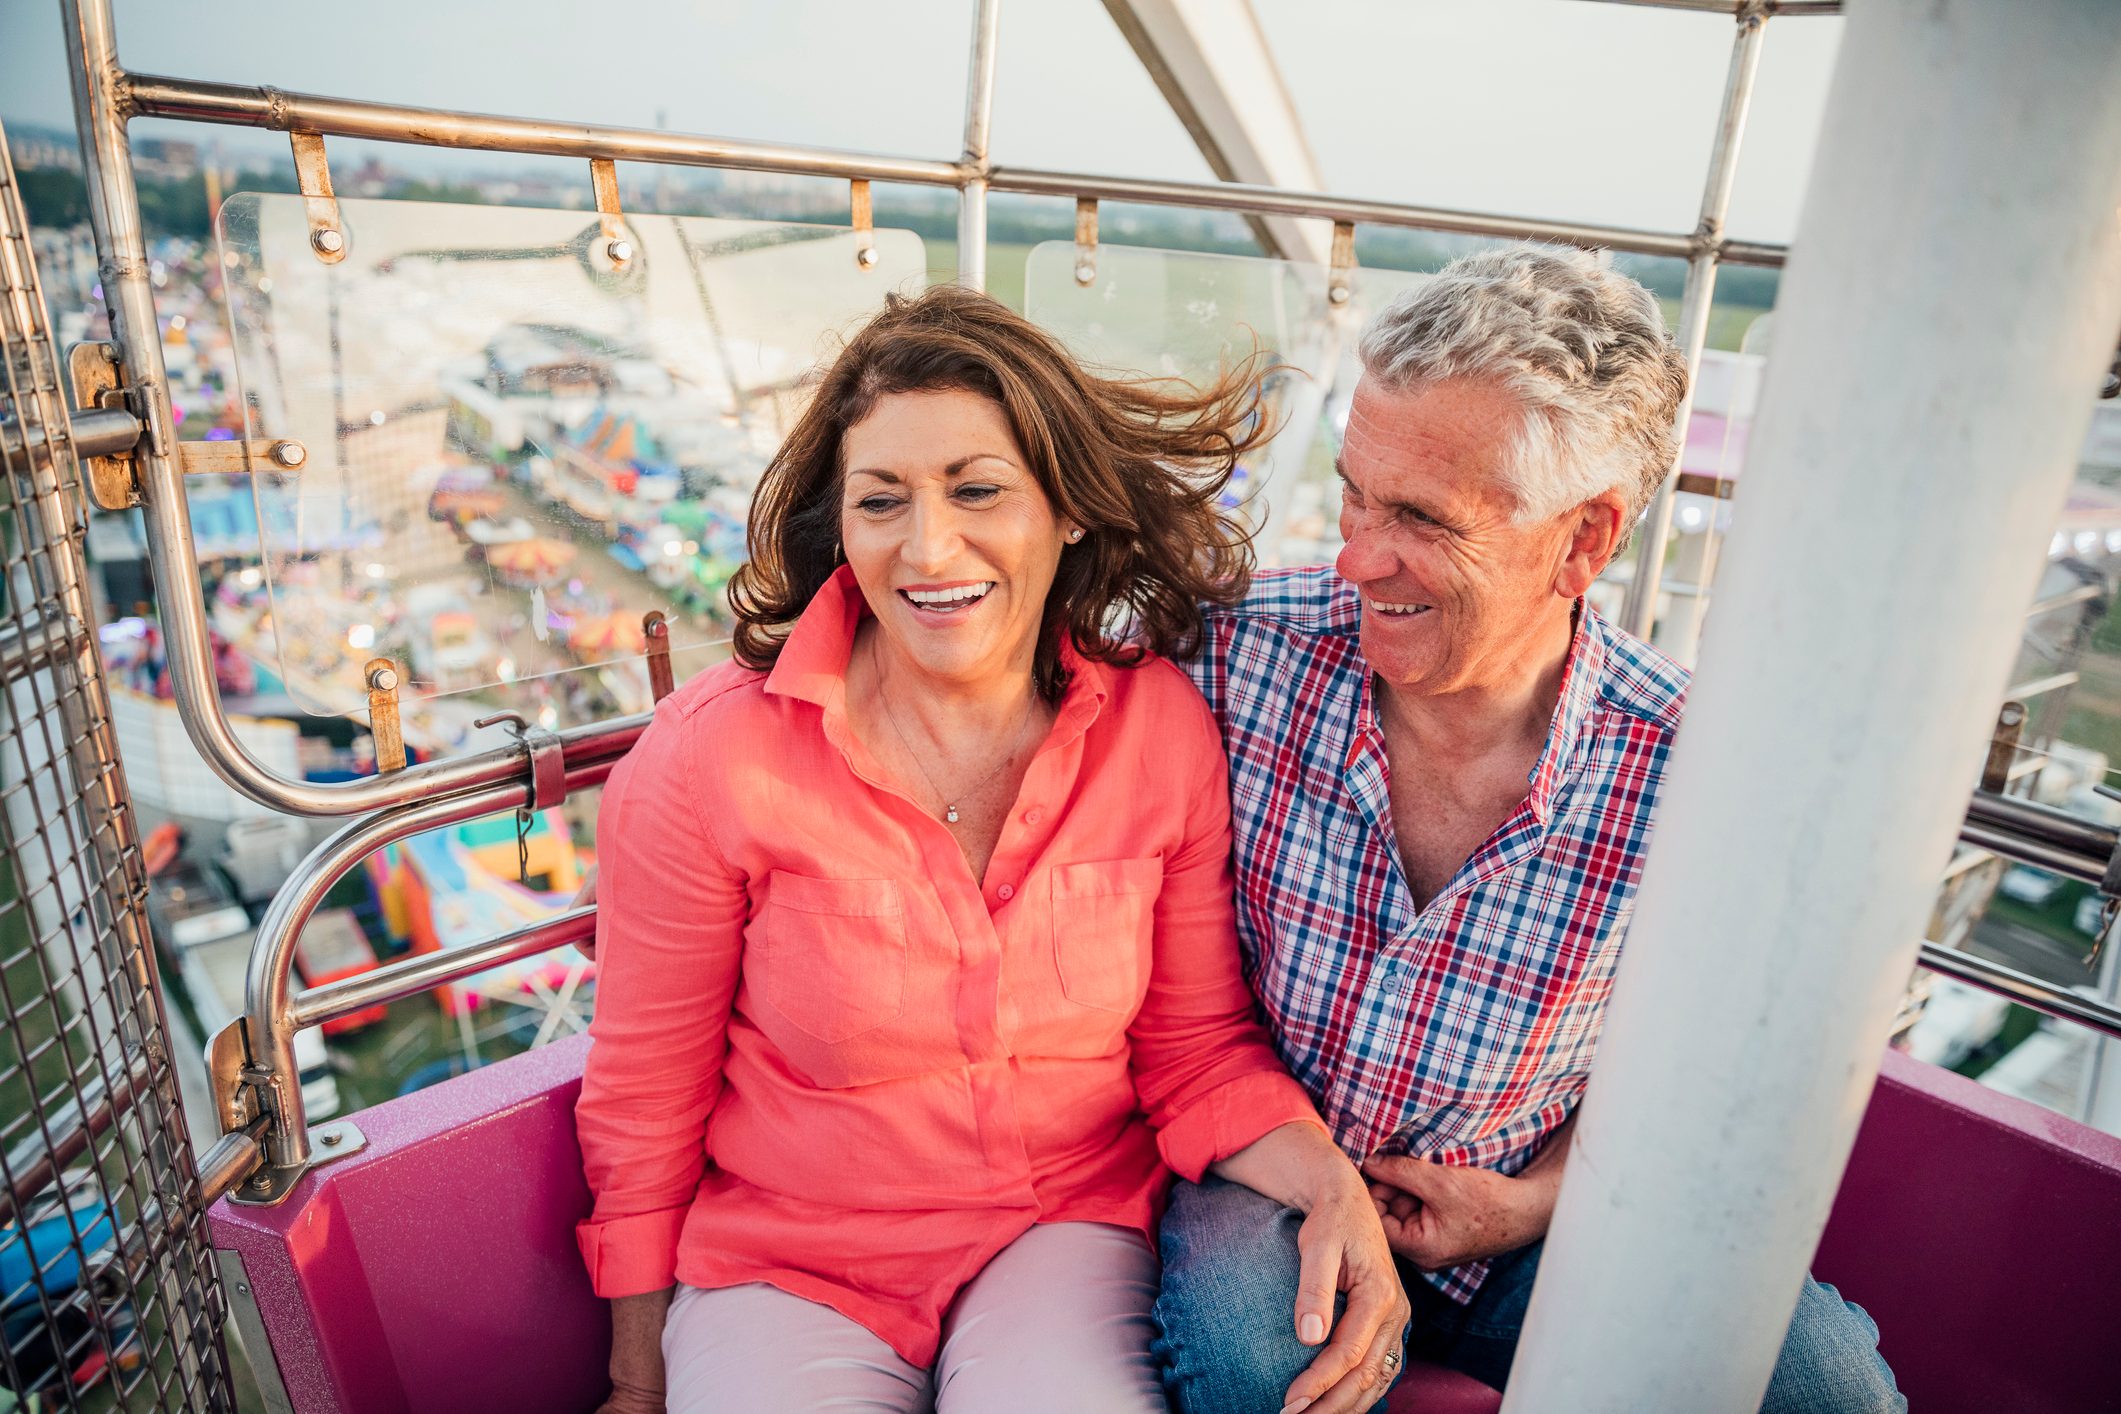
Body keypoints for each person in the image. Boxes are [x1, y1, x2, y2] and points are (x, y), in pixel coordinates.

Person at [575, 285, 1408, 1414]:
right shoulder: (706, 760)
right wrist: (636, 1379)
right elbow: (645, 1098)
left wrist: (1331, 1186)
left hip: (1058, 1231)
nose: (929, 546)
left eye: (977, 490)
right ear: (843, 524)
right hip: (790, 1261)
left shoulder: (1156, 729)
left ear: (1064, 509)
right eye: (882, 501)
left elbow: (1194, 1047)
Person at [1152, 245, 1905, 1413]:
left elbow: (1717, 1078)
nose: (1355, 554)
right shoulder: (1230, 652)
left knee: (1828, 1394)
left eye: (1421, 517)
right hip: (1268, 1170)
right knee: (1264, 1365)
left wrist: (1539, 1201)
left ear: (1586, 540)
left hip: (1530, 1211)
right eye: (1353, 489)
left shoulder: (1698, 770)